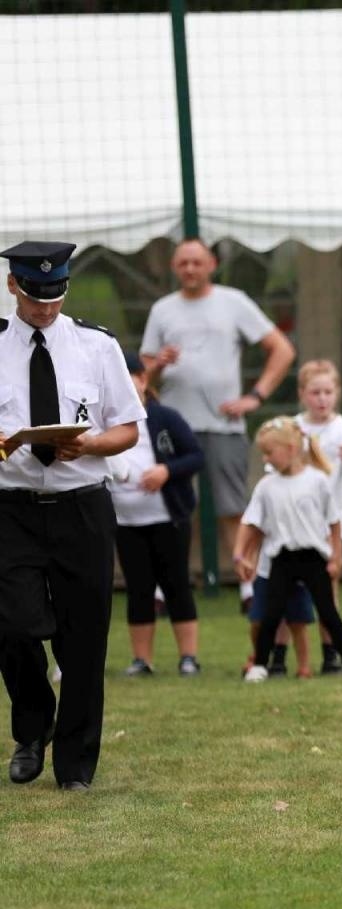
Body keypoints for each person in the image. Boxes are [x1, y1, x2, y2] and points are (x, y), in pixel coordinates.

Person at [0, 241, 144, 791]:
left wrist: (90, 446)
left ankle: (76, 767)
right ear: (14, 286)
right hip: (10, 508)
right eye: (35, 295)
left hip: (82, 505)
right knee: (13, 625)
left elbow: (127, 428)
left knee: (84, 639)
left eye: (55, 295)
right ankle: (33, 725)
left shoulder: (96, 346)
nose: (45, 306)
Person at [139, 238, 295, 610]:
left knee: (233, 507)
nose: (190, 269)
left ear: (211, 264)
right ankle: (165, 586)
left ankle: (247, 586)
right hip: (174, 423)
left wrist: (254, 397)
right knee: (171, 507)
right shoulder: (163, 310)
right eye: (183, 263)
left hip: (224, 424)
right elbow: (141, 376)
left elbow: (282, 349)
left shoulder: (234, 301)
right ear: (175, 268)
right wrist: (158, 363)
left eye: (197, 262)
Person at [234, 417, 342, 683]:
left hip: (313, 558)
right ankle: (260, 664)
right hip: (281, 559)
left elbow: (334, 522)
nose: (266, 459)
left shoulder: (318, 482)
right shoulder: (266, 486)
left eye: (270, 453)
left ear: (292, 449)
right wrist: (240, 554)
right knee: (272, 614)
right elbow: (250, 523)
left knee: (328, 612)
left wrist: (336, 556)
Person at [111, 351, 205, 675]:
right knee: (138, 588)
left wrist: (165, 471)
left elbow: (195, 456)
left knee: (176, 583)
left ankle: (189, 656)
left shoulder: (165, 417)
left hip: (169, 519)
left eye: (130, 380)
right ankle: (142, 659)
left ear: (142, 380)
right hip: (125, 522)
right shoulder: (105, 422)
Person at [295, 359, 342, 674]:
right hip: (300, 523)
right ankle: (286, 654)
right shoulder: (294, 428)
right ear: (303, 394)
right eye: (315, 392)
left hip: (336, 522)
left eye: (327, 392)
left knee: (328, 588)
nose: (322, 399)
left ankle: (331, 651)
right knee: (295, 589)